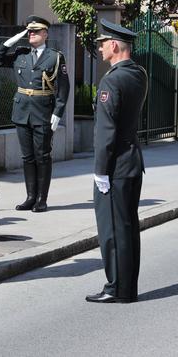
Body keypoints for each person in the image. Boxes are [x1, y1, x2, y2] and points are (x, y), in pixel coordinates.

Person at [86, 19, 147, 304]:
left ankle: (116, 288)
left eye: (101, 43)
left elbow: (106, 131)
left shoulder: (112, 79)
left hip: (115, 167)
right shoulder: (139, 74)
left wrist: (100, 170)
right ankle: (127, 288)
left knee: (112, 229)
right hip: (133, 161)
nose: (99, 48)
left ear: (113, 45)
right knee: (128, 227)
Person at [0, 15, 70, 212]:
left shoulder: (55, 56)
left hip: (44, 111)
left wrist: (58, 112)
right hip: (21, 111)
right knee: (27, 157)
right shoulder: (20, 54)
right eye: (29, 31)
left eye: (35, 31)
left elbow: (64, 87)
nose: (31, 34)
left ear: (45, 33)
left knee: (42, 155)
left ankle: (42, 199)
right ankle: (30, 197)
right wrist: (11, 41)